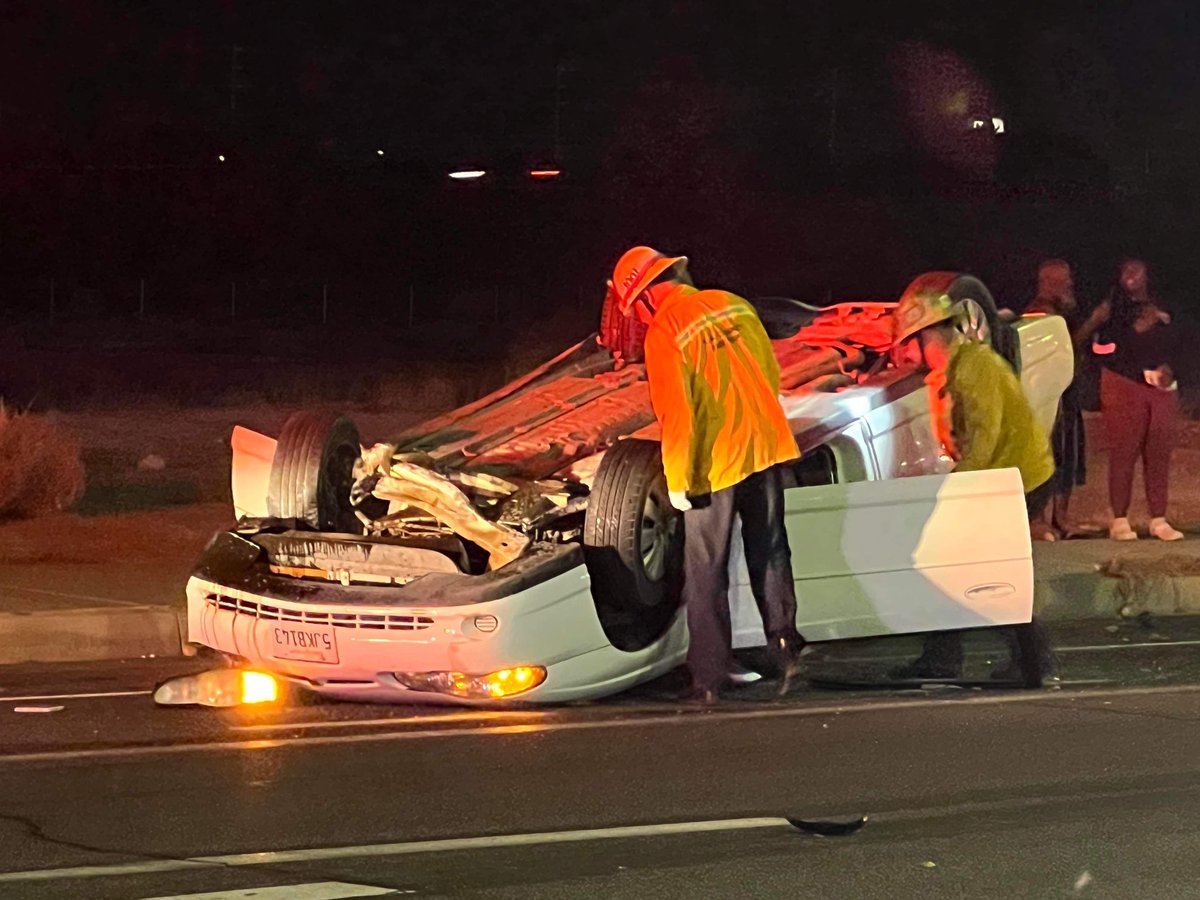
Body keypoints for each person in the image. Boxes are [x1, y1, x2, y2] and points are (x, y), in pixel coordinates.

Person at [610, 245, 805, 703]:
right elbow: (770, 374)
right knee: (772, 551)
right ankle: (787, 653)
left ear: (643, 297)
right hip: (766, 446)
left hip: (716, 462)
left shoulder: (667, 329)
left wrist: (678, 480)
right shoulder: (733, 303)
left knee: (706, 570)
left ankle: (710, 676)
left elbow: (678, 414)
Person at [889, 279, 1056, 680]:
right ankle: (1017, 659)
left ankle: (1025, 660)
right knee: (959, 564)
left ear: (929, 335)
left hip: (1015, 478)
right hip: (1000, 477)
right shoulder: (954, 370)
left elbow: (985, 435)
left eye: (909, 344)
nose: (908, 356)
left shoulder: (976, 367)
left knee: (966, 565)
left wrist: (959, 492)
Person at [1092, 259, 1183, 541]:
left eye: (1136, 270)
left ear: (1147, 275)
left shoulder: (1162, 304)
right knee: (1124, 452)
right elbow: (1102, 348)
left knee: (1159, 454)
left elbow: (1181, 341)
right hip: (1125, 384)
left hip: (1161, 388)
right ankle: (1119, 519)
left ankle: (1159, 518)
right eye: (1124, 271)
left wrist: (1171, 368)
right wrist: (1138, 328)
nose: (1130, 276)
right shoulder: (1113, 309)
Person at [1024, 259, 1108, 537]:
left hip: (1067, 393)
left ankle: (1061, 519)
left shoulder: (1061, 311)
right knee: (1048, 455)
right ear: (1050, 282)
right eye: (1066, 279)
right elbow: (1062, 346)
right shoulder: (1039, 313)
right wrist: (1093, 322)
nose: (1071, 283)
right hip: (1050, 397)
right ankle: (1037, 519)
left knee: (1068, 455)